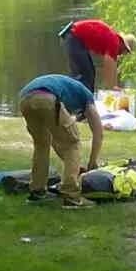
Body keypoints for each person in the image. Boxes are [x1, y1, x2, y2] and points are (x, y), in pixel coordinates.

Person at [18, 73, 103, 208]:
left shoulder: (68, 90)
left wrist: (71, 164)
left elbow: (58, 141)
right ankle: (71, 196)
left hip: (25, 98)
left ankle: (37, 191)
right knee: (72, 143)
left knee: (42, 144)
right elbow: (98, 132)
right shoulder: (88, 97)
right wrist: (92, 162)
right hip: (46, 97)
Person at [58, 19, 136, 94]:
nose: (123, 54)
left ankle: (88, 100)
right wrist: (112, 87)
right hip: (73, 37)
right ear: (124, 45)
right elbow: (108, 66)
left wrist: (113, 86)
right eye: (126, 51)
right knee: (85, 75)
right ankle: (81, 102)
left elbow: (113, 67)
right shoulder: (115, 42)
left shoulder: (113, 41)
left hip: (74, 38)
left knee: (90, 73)